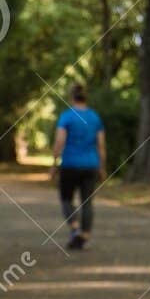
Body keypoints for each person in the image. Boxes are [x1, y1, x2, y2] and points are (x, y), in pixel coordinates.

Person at [51, 84, 106, 250]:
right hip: (90, 164)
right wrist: (102, 167)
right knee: (87, 202)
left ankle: (75, 228)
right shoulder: (95, 118)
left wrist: (54, 164)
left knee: (66, 199)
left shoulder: (67, 117)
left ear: (71, 98)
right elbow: (101, 145)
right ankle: (85, 235)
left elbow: (60, 142)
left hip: (70, 164)